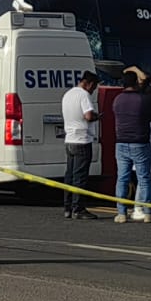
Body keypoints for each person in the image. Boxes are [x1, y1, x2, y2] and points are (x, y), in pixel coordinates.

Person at [111, 68, 151, 222]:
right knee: (144, 178)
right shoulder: (143, 99)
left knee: (122, 178)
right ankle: (147, 213)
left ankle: (122, 213)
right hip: (140, 143)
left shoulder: (117, 100)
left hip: (121, 142)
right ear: (136, 83)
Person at [60, 70, 101, 220]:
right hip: (82, 140)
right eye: (94, 87)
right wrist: (98, 116)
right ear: (89, 83)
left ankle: (67, 207)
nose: (93, 90)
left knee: (69, 175)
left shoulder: (68, 94)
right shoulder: (84, 95)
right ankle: (79, 208)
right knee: (80, 176)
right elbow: (88, 116)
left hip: (69, 139)